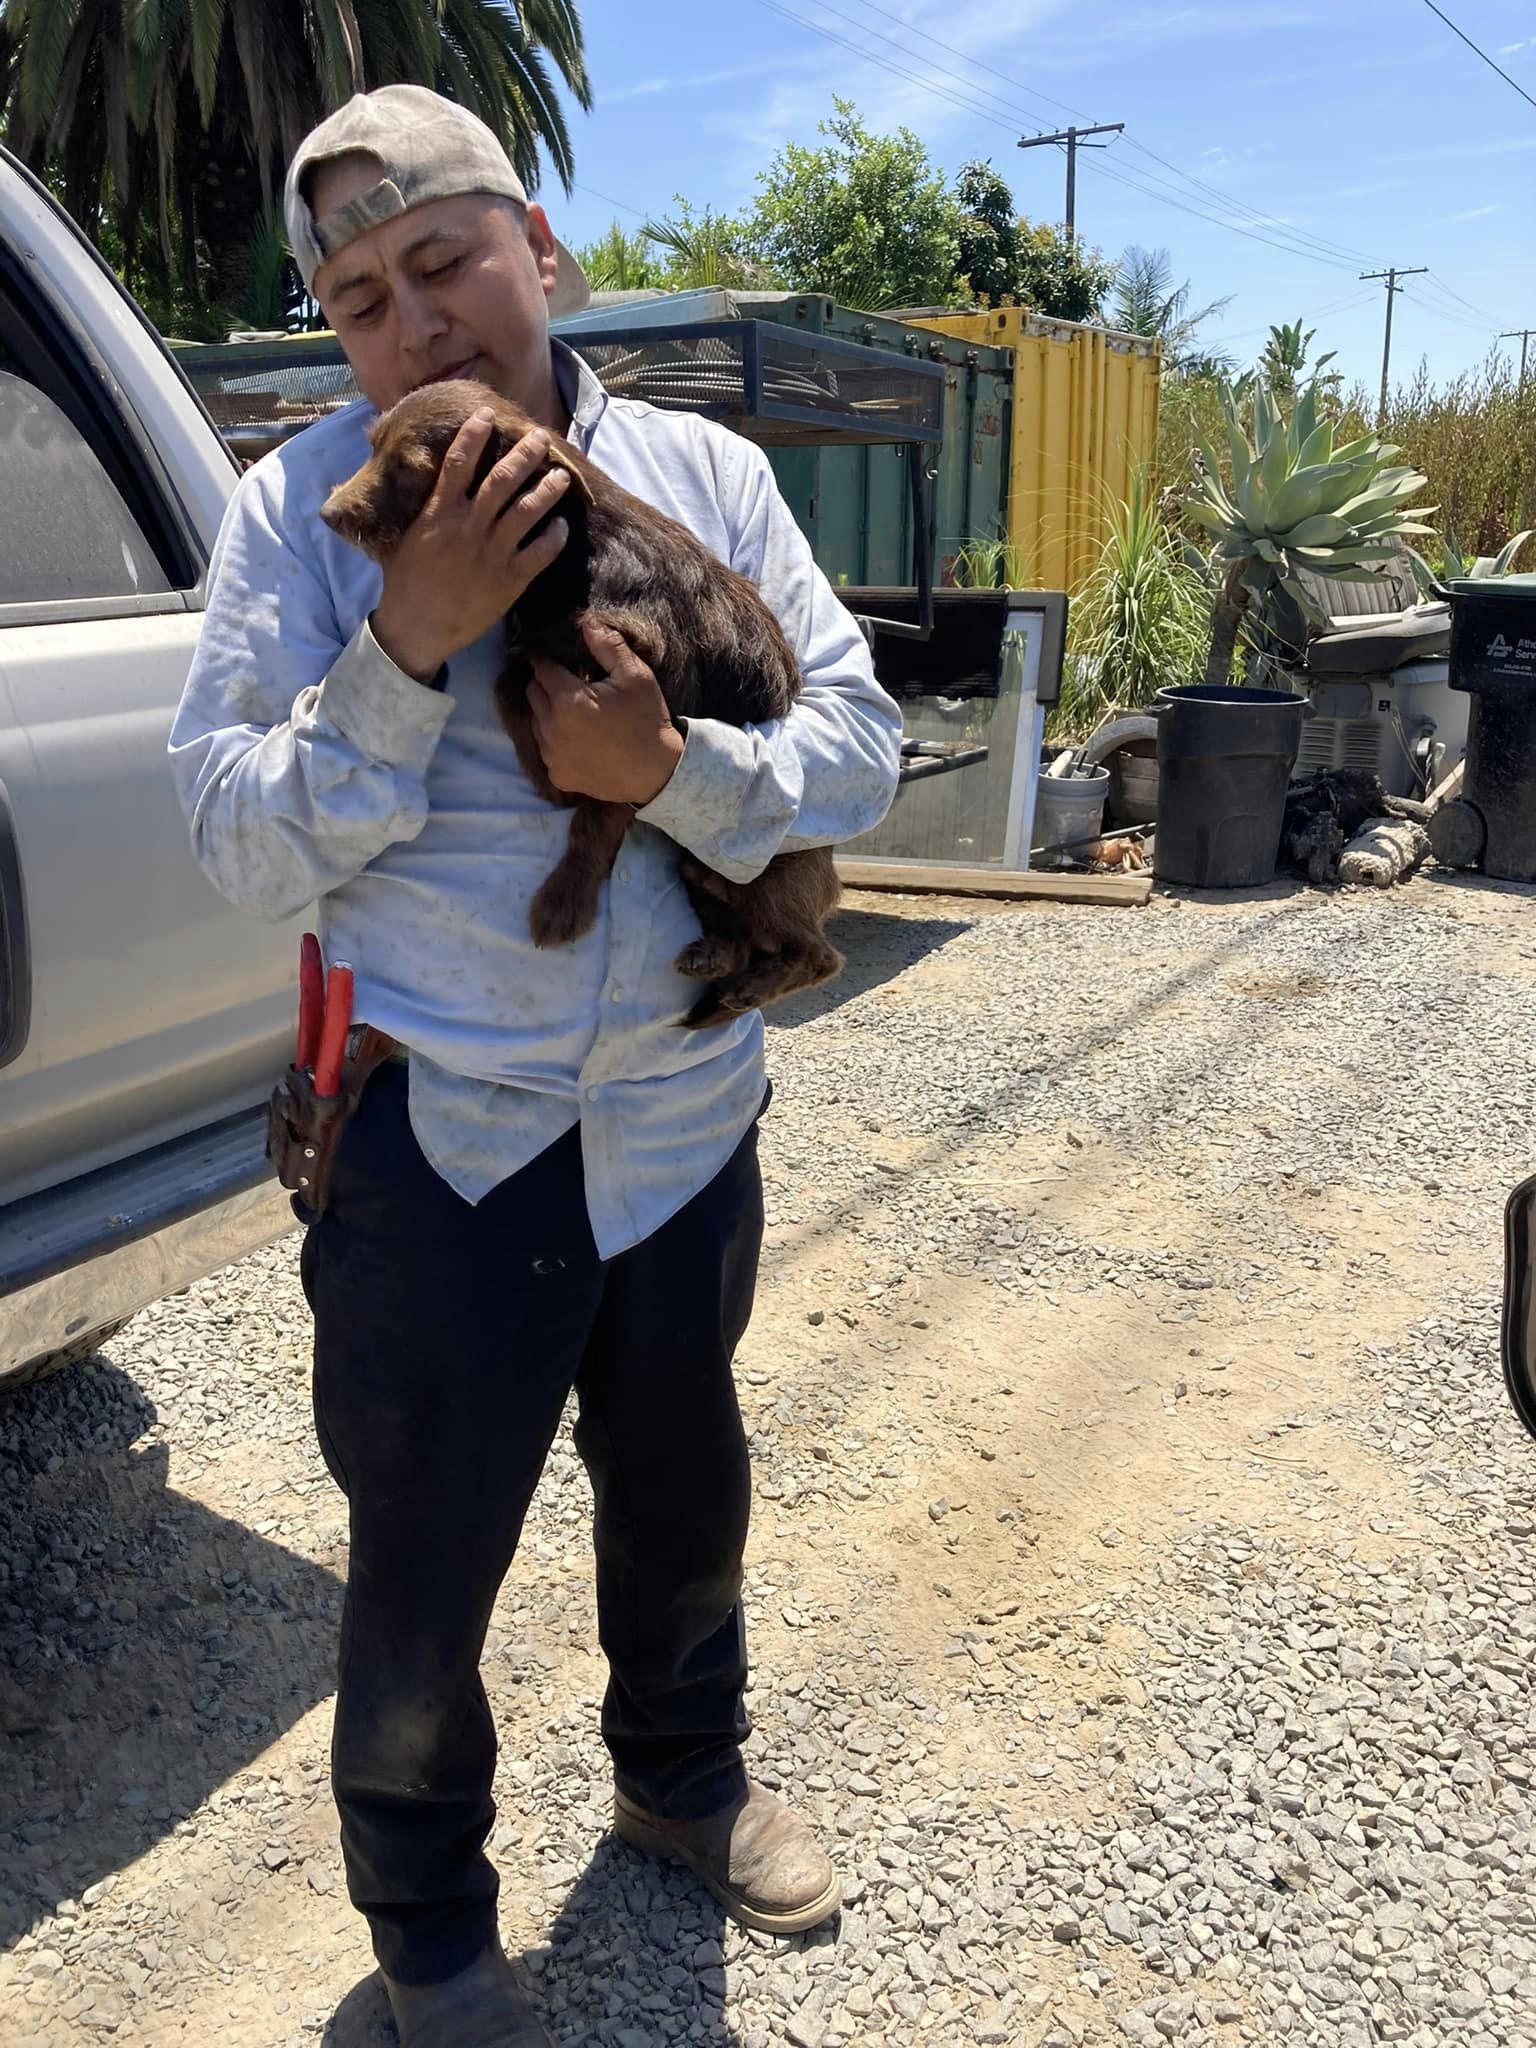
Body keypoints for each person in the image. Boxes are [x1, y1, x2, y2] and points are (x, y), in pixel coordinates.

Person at [169, 84, 901, 2048]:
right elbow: (235, 837)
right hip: (434, 1145)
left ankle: (682, 1779)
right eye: (354, 297)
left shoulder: (706, 480)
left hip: (680, 1124)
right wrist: (404, 648)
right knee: (425, 1557)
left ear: (538, 253)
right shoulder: (302, 522)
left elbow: (865, 742)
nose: (409, 321)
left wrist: (673, 775)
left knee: (684, 1493)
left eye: (441, 262)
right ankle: (429, 1937)